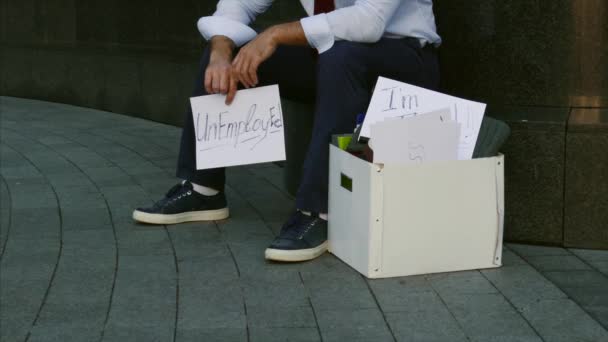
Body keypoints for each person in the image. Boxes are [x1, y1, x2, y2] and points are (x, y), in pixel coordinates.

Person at [132, 0, 442, 262]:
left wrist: (276, 33)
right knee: (229, 48)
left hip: (405, 57)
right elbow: (238, 4)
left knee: (341, 56)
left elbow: (368, 22)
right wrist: (221, 48)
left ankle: (319, 212)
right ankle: (203, 190)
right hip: (333, 54)